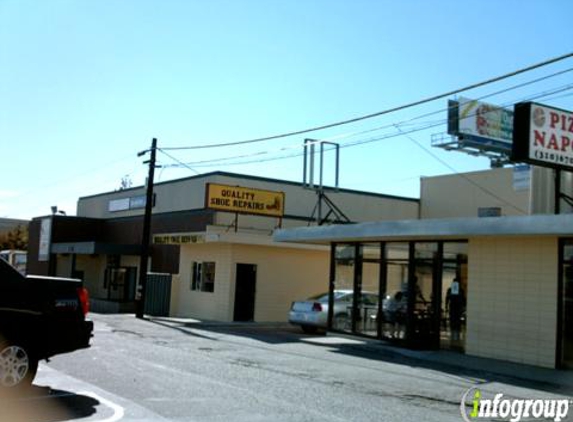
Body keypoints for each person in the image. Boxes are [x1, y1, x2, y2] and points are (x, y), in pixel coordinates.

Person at [445, 278, 465, 342]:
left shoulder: (460, 290)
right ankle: (453, 332)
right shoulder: (450, 290)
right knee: (453, 319)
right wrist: (446, 306)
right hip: (453, 306)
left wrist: (463, 307)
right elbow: (447, 298)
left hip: (457, 306)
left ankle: (456, 333)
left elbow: (463, 299)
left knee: (456, 320)